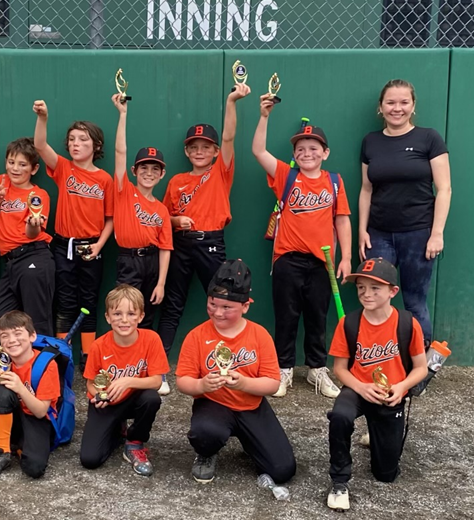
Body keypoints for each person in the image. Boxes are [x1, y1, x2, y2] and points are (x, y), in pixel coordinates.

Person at [252, 95, 352, 399]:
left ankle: (316, 369)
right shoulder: (287, 174)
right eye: (300, 149)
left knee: (317, 316)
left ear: (325, 152)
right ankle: (283, 368)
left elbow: (343, 221)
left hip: (322, 262)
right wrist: (264, 116)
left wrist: (345, 257)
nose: (307, 153)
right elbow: (258, 150)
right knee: (286, 316)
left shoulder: (334, 182)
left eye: (313, 148)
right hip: (287, 259)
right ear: (294, 154)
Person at [175, 259, 296, 485]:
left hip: (251, 405)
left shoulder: (260, 335)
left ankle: (251, 441)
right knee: (205, 433)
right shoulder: (196, 335)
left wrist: (243, 383)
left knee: (282, 471)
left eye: (227, 307)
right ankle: (206, 452)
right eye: (212, 304)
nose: (217, 313)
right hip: (214, 404)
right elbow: (183, 381)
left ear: (245, 306)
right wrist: (201, 385)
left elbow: (272, 383)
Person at [325, 258, 428, 511]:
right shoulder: (349, 323)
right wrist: (360, 387)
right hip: (358, 390)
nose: (366, 293)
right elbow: (339, 368)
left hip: (390, 394)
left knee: (386, 475)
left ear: (393, 291)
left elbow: (421, 368)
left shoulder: (407, 323)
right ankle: (339, 482)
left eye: (375, 288)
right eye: (361, 287)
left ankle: (376, 429)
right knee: (340, 415)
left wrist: (402, 387)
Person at [158, 83, 250, 355]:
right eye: (194, 147)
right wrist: (176, 222)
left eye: (206, 147)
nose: (199, 151)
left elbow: (230, 138)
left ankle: (228, 353)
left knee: (223, 299)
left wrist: (232, 102)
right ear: (187, 152)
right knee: (173, 303)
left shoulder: (220, 172)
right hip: (180, 245)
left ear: (215, 152)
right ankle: (161, 363)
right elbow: (163, 216)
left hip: (210, 242)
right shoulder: (176, 181)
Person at [359, 79, 452, 343]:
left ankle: (418, 370)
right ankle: (377, 361)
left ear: (413, 106)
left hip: (418, 235)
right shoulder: (370, 142)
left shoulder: (429, 138)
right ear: (381, 107)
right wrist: (362, 231)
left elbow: (444, 189)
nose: (396, 108)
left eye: (403, 102)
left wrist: (437, 234)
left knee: (414, 301)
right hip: (379, 235)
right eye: (390, 102)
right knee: (374, 300)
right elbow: (366, 190)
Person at [33, 100, 114, 351]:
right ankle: (62, 352)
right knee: (65, 302)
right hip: (63, 245)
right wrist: (43, 117)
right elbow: (39, 145)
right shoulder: (64, 168)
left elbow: (110, 218)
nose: (76, 144)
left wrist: (99, 245)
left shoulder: (104, 178)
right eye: (72, 139)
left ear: (96, 145)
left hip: (91, 247)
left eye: (83, 139)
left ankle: (88, 354)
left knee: (88, 302)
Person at [110, 94, 174, 394]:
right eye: (144, 168)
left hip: (151, 262)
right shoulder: (124, 192)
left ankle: (150, 371)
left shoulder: (161, 209)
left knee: (147, 314)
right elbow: (120, 152)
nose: (149, 172)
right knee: (125, 311)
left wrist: (161, 282)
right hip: (128, 260)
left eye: (155, 169)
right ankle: (123, 365)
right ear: (135, 172)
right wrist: (122, 114)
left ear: (161, 174)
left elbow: (165, 248)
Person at [80, 285, 170, 476]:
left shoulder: (151, 339)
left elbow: (156, 381)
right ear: (107, 317)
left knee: (151, 398)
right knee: (90, 459)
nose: (124, 320)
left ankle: (135, 442)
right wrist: (100, 396)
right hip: (108, 402)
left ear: (140, 316)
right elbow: (90, 383)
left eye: (131, 313)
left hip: (135, 399)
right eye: (117, 314)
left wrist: (127, 381)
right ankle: (117, 428)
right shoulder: (98, 346)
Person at [0, 138, 55, 340]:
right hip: (11, 262)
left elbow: (32, 234)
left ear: (33, 169)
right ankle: (17, 366)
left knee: (37, 324)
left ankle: (45, 369)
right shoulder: (2, 182)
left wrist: (32, 225)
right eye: (11, 162)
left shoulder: (38, 195)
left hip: (34, 256)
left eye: (22, 164)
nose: (15, 168)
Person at [0, 311, 62, 480]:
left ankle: (17, 446)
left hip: (36, 418)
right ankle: (2, 451)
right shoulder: (0, 365)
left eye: (17, 333)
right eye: (5, 336)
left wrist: (20, 388)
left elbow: (41, 412)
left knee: (34, 469)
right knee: (1, 392)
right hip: (11, 415)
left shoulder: (47, 364)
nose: (11, 340)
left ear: (32, 336)